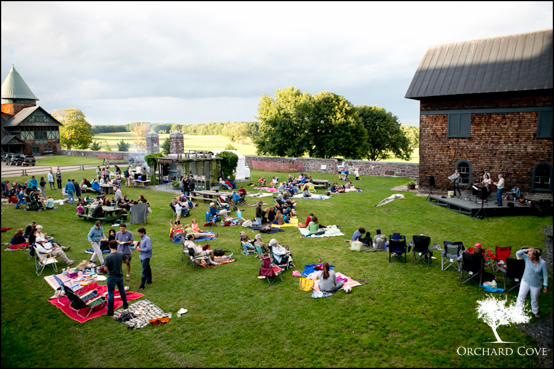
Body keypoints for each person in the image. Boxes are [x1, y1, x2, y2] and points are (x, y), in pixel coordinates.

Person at [515, 247, 548, 318]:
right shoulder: (527, 258)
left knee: (534, 298)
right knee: (521, 296)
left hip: (536, 284)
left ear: (535, 256)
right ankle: (517, 311)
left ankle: (535, 311)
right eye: (528, 254)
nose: (529, 256)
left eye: (530, 255)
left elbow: (545, 275)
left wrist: (545, 285)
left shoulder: (542, 263)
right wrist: (527, 250)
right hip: (525, 281)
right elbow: (517, 253)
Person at [101, 240, 129, 317]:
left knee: (111, 294)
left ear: (109, 247)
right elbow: (125, 261)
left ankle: (110, 311)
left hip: (111, 277)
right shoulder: (121, 254)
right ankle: (125, 305)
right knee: (122, 290)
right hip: (120, 276)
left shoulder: (108, 257)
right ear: (117, 246)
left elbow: (105, 269)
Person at [136, 227, 152, 292]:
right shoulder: (142, 239)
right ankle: (149, 280)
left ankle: (142, 285)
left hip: (146, 256)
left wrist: (140, 249)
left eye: (139, 233)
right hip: (142, 256)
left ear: (143, 233)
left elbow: (149, 248)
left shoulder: (147, 239)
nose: (138, 234)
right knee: (147, 268)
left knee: (144, 270)